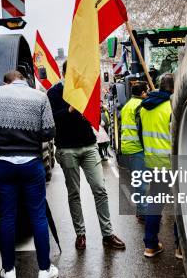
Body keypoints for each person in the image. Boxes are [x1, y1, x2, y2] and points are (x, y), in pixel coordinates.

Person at [0, 70, 59, 278]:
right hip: (31, 164)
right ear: (24, 80)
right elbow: (49, 132)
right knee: (38, 216)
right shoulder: (39, 97)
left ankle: (9, 272)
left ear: (6, 81)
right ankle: (44, 271)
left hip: (4, 164)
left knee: (8, 217)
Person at [48, 61, 126, 250]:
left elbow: (95, 114)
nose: (75, 76)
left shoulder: (85, 89)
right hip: (67, 148)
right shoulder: (54, 92)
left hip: (89, 145)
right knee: (74, 193)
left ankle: (107, 234)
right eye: (72, 73)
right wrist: (71, 109)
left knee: (100, 188)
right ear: (63, 73)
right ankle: (80, 234)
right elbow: (53, 118)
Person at [138, 74, 175, 258]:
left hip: (152, 162)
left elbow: (140, 134)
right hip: (171, 163)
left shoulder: (144, 108)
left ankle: (151, 245)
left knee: (155, 203)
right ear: (174, 89)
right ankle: (181, 248)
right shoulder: (172, 107)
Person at [120, 81, 149, 220]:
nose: (148, 93)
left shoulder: (127, 105)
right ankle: (143, 211)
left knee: (138, 181)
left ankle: (141, 209)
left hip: (128, 147)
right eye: (147, 91)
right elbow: (141, 129)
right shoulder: (139, 106)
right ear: (143, 93)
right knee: (141, 183)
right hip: (137, 147)